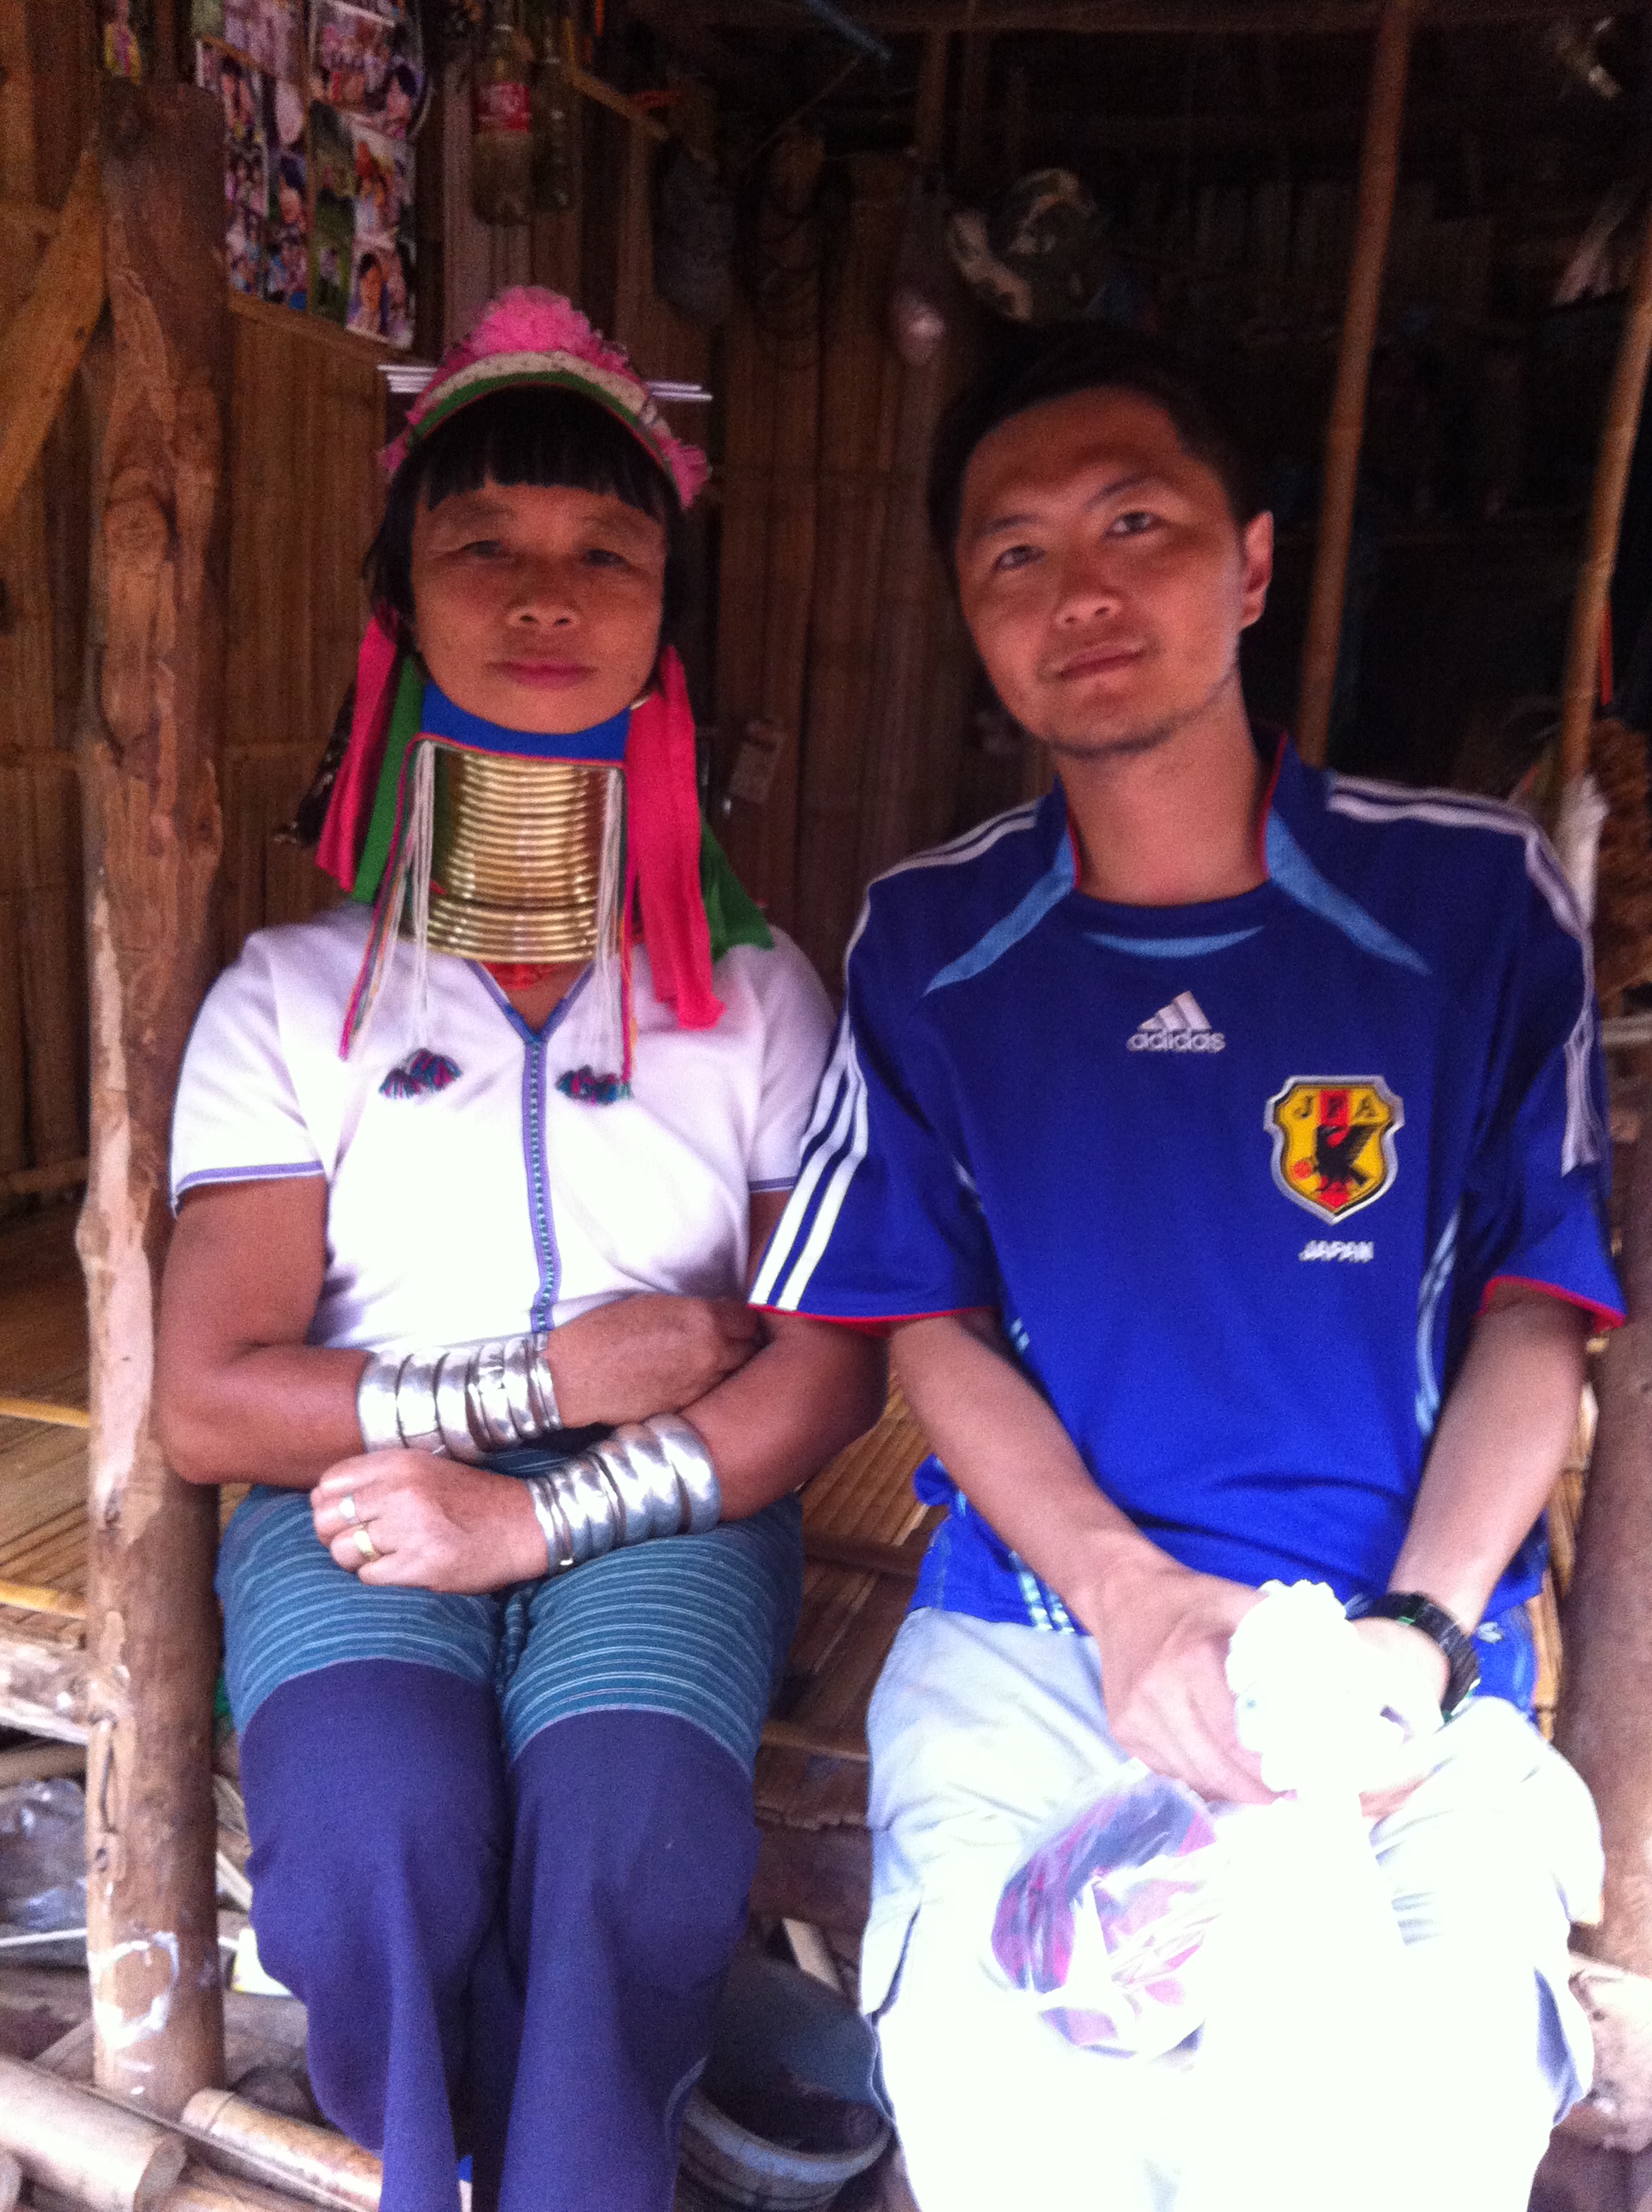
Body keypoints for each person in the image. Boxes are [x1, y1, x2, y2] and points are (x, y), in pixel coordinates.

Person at [751, 329, 1620, 2210]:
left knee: (1397, 2153)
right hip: (1035, 1644)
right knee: (1017, 2133)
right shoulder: (931, 938)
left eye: (1133, 522)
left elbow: (1534, 1310)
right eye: (1015, 552)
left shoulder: (1468, 902)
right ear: (971, 618)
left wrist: (1413, 1638)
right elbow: (917, 1316)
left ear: (1249, 563)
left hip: (1403, 1673)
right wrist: (1127, 1596)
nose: (1078, 589)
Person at [157, 288, 881, 2212]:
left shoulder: (756, 1000)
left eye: (604, 552)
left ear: (664, 620)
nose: (546, 595)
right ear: (400, 605)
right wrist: (541, 1384)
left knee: (633, 1835)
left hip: (676, 1491)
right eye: (484, 545)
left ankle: (575, 2172)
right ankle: (440, 2167)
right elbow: (212, 1401)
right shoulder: (292, 995)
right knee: (373, 1833)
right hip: (358, 1481)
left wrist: (551, 1504)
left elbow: (825, 1362)